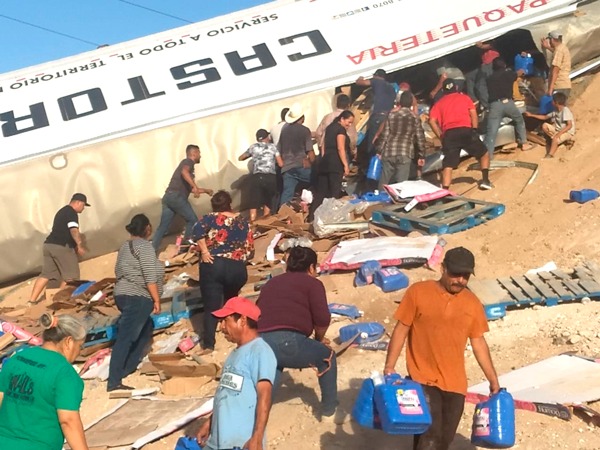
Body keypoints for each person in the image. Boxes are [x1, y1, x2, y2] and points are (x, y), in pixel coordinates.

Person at [384, 247, 501, 450]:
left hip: (455, 384)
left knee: (444, 440)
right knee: (430, 436)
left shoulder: (472, 304)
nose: (461, 280)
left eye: (466, 276)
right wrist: (389, 367)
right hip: (422, 377)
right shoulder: (418, 292)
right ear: (443, 268)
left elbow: (478, 343)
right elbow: (402, 329)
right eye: (456, 274)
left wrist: (493, 380)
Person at [257, 246, 340, 422]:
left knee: (273, 368)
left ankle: (256, 417)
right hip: (287, 340)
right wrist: (318, 340)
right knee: (328, 357)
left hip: (259, 340)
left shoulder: (271, 283)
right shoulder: (313, 284)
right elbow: (322, 319)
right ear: (311, 267)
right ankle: (329, 412)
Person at [196, 297, 277, 450]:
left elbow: (265, 395)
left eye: (225, 321)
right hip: (217, 442)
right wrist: (210, 423)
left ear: (242, 320)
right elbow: (227, 395)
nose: (221, 327)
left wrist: (257, 438)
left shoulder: (260, 351)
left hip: (241, 444)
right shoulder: (234, 354)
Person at [0, 313, 89, 450]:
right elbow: (68, 421)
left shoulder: (18, 358)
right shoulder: (64, 373)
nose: (79, 352)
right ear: (69, 342)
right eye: (80, 346)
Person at [192, 190, 254, 353]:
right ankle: (237, 335)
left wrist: (204, 251)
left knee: (211, 306)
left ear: (213, 205)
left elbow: (197, 231)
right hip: (237, 269)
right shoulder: (243, 222)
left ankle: (209, 344)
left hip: (214, 264)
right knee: (231, 301)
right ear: (230, 204)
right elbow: (250, 249)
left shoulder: (210, 218)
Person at [108, 214, 164, 391]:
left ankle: (127, 368)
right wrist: (157, 300)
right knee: (126, 337)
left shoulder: (124, 247)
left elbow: (118, 271)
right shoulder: (145, 247)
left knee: (146, 328)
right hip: (137, 296)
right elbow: (149, 276)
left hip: (122, 295)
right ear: (147, 228)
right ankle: (114, 382)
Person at [429, 81, 493, 190]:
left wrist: (441, 135)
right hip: (465, 130)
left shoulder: (439, 103)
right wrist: (474, 129)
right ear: (456, 87)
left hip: (449, 134)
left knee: (448, 165)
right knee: (484, 154)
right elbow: (473, 113)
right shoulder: (465, 98)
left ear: (443, 90)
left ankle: (445, 190)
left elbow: (431, 121)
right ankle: (485, 181)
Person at [28, 193, 90, 304]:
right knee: (71, 277)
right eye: (83, 205)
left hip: (49, 245)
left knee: (46, 274)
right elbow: (73, 229)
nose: (83, 208)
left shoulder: (62, 211)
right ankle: (60, 301)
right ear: (78, 202)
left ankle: (31, 301)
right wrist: (79, 244)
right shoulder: (71, 212)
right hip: (61, 246)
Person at [152, 144, 213, 252]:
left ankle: (152, 250)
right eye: (199, 153)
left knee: (163, 227)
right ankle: (185, 245)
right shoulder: (188, 162)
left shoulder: (188, 170)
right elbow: (184, 172)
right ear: (194, 153)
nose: (200, 156)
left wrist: (206, 190)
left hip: (168, 197)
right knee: (192, 220)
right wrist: (195, 186)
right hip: (176, 197)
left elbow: (192, 189)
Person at [484, 57, 533, 158]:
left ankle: (488, 156)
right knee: (519, 120)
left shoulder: (489, 78)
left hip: (495, 105)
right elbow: (518, 73)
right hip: (508, 103)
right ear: (504, 65)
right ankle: (524, 143)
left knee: (491, 131)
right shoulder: (508, 74)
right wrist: (522, 69)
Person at [376, 92, 426, 190]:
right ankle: (398, 198)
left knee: (384, 181)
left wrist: (379, 150)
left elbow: (385, 135)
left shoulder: (392, 115)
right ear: (411, 103)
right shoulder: (415, 118)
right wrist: (421, 155)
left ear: (400, 102)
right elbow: (420, 138)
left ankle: (380, 197)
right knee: (401, 184)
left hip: (389, 151)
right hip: (405, 153)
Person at [310, 110, 355, 218]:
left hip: (325, 162)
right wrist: (345, 165)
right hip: (335, 164)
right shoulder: (340, 130)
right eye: (348, 122)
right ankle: (330, 217)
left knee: (321, 192)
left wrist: (324, 157)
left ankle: (312, 216)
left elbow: (323, 146)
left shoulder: (330, 128)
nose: (349, 125)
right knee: (334, 193)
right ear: (342, 119)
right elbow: (340, 148)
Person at [238, 129, 282, 222]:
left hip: (257, 177)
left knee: (253, 202)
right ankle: (266, 221)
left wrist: (252, 155)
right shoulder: (273, 147)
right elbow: (281, 163)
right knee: (268, 201)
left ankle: (252, 223)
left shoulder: (253, 147)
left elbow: (240, 158)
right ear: (267, 137)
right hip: (270, 177)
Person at [277, 103, 315, 206]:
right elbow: (310, 151)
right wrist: (313, 163)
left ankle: (283, 212)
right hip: (301, 164)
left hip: (287, 167)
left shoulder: (284, 130)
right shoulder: (304, 130)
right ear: (302, 117)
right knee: (318, 181)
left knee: (287, 192)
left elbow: (278, 150)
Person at [356, 68, 396, 157]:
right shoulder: (391, 88)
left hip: (378, 116)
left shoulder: (376, 81)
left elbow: (360, 83)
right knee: (385, 141)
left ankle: (371, 161)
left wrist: (360, 77)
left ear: (376, 75)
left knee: (373, 141)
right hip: (388, 118)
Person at [524, 92, 575, 158]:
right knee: (545, 125)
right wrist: (531, 115)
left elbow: (569, 125)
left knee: (555, 139)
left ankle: (550, 154)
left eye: (552, 101)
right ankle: (555, 141)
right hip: (558, 130)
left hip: (567, 132)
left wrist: (558, 135)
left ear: (556, 102)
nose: (551, 102)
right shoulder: (555, 111)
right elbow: (545, 117)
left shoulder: (565, 110)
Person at [465, 40, 499, 111]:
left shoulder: (489, 40)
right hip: (483, 64)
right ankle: (476, 100)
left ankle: (488, 106)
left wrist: (481, 46)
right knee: (470, 78)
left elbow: (492, 44)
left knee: (481, 85)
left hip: (491, 61)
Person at [541, 30, 571, 98]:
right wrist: (547, 47)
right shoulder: (563, 48)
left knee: (557, 104)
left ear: (552, 40)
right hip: (565, 84)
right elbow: (556, 52)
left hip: (559, 85)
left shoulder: (559, 51)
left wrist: (550, 88)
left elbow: (555, 71)